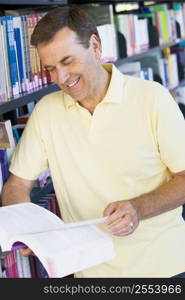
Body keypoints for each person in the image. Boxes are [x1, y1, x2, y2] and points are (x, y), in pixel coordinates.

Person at [2, 6, 185, 278]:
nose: (61, 79)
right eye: (51, 68)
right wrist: (26, 229)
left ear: (95, 46)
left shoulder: (152, 99)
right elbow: (17, 184)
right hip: (90, 275)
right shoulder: (46, 112)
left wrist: (138, 208)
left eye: (68, 61)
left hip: (165, 269)